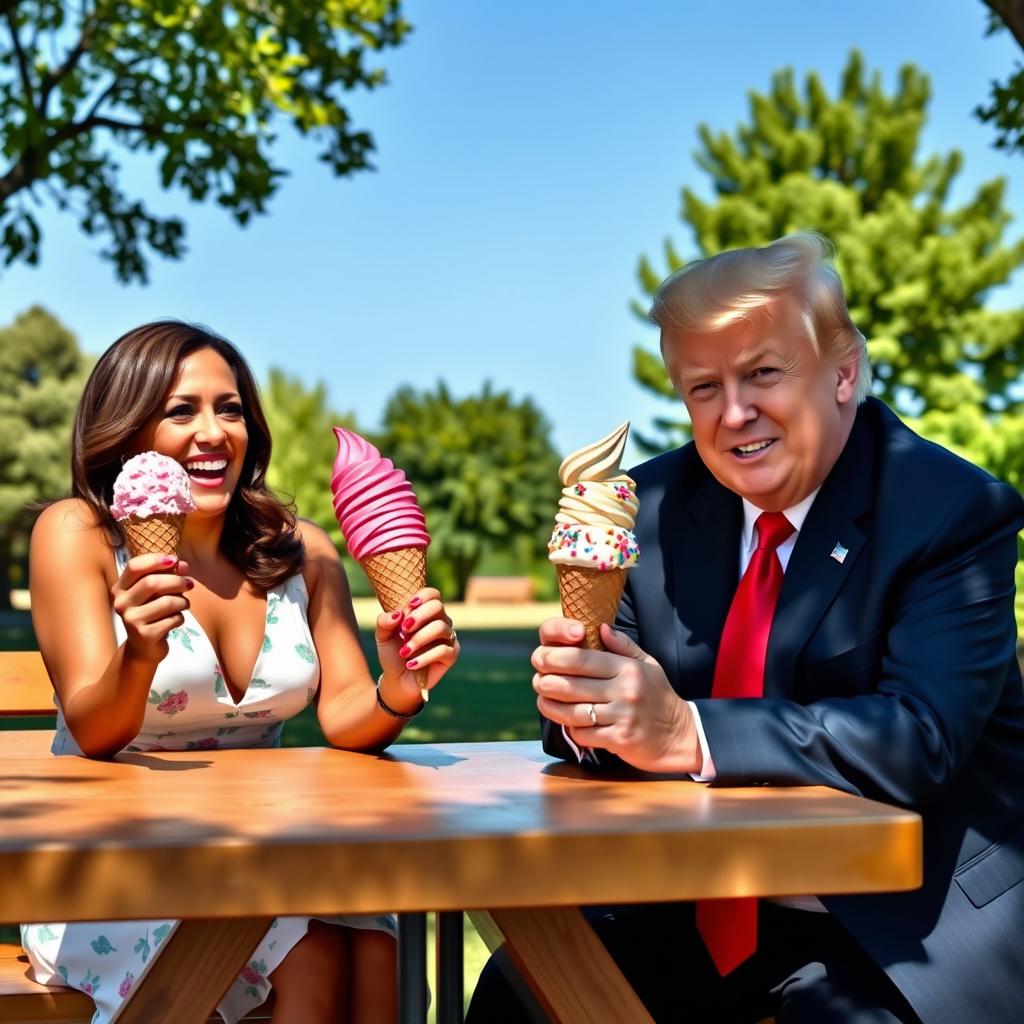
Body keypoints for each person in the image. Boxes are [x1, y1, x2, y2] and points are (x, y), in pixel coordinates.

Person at [467, 233, 1024, 1023]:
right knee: (519, 996)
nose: (734, 413)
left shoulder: (948, 508)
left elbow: (920, 738)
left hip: (899, 931)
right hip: (683, 901)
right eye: (703, 388)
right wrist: (585, 704)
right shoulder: (642, 508)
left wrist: (689, 731)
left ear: (843, 372)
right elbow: (592, 728)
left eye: (763, 372)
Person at [22, 321, 459, 1024]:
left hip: (266, 861)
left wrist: (400, 686)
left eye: (230, 409)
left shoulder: (303, 551)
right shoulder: (79, 536)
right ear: (127, 430)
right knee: (313, 951)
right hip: (112, 873)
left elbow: (348, 711)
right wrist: (139, 650)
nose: (214, 432)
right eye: (180, 411)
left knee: (381, 948)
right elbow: (94, 729)